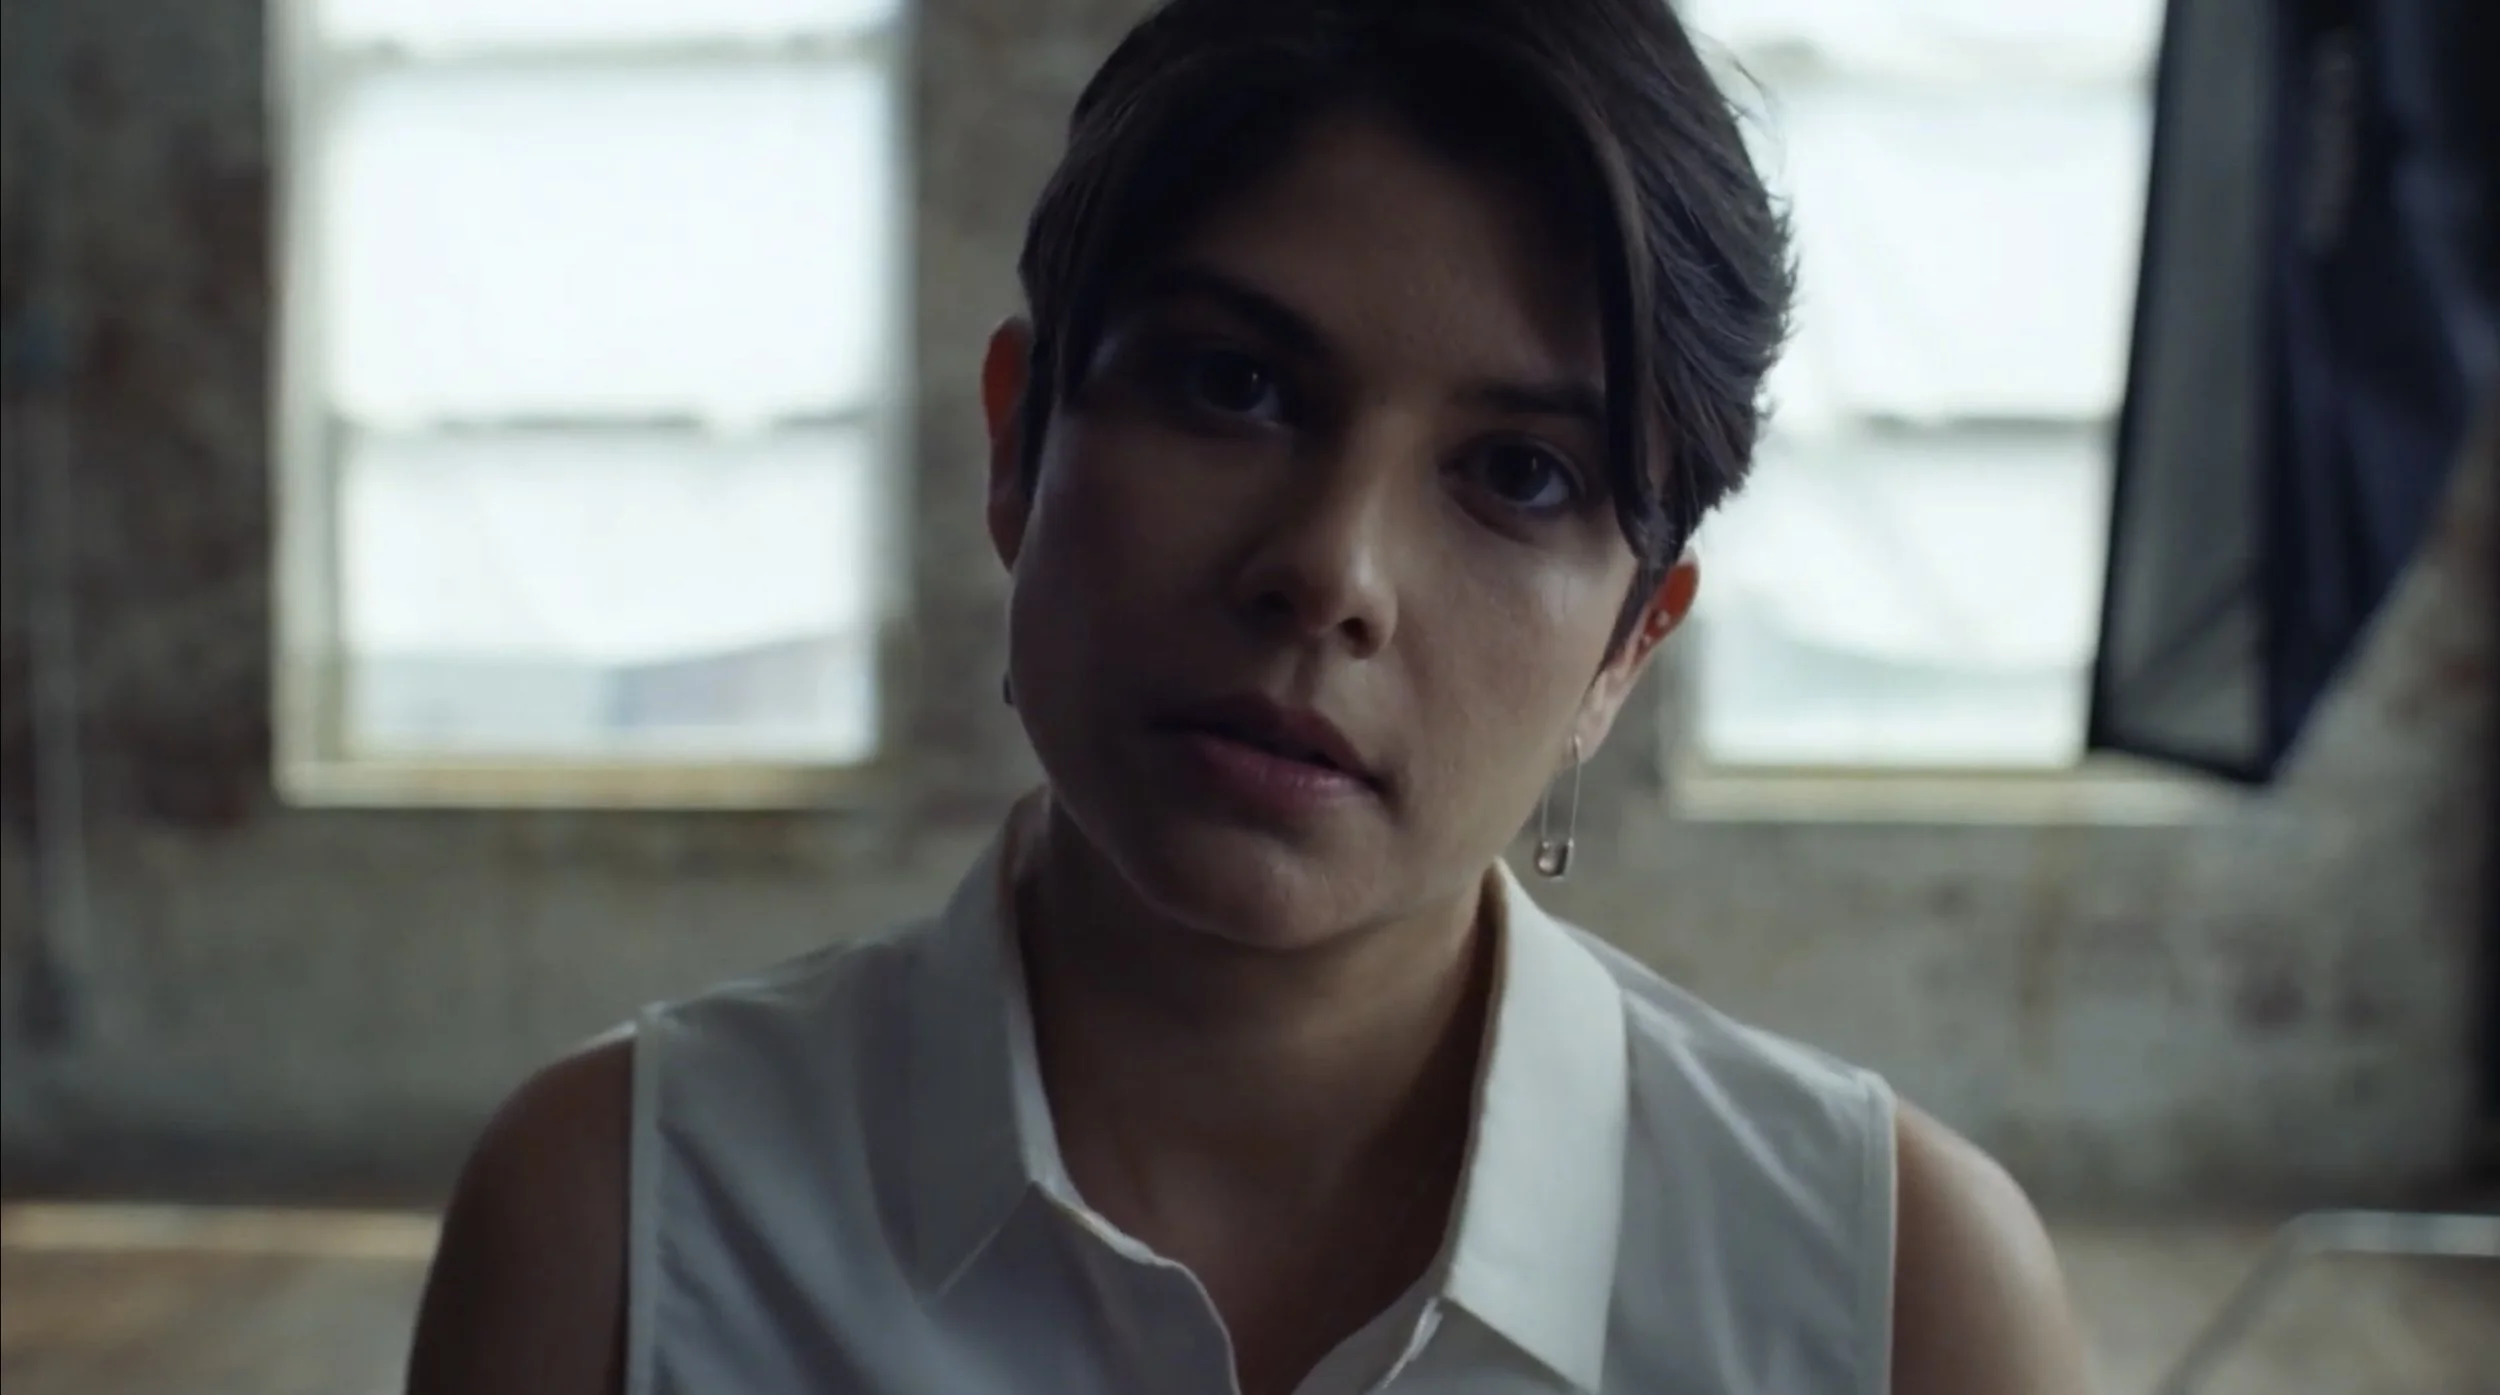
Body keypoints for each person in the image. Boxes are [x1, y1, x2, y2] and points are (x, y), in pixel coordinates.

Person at [406, 1, 2095, 1392]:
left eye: (1518, 473)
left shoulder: (1892, 1296)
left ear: (1627, 650)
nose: (1332, 570)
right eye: (1235, 385)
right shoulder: (622, 1224)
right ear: (1018, 444)